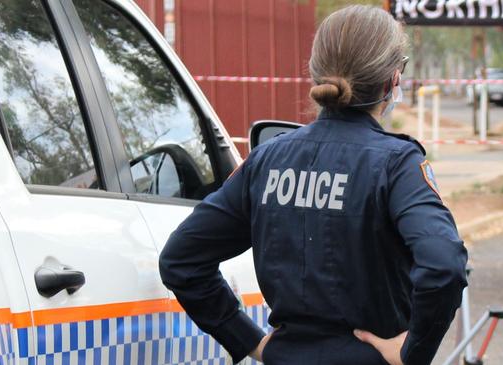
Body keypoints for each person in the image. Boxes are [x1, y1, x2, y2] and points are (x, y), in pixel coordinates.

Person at [159, 5, 467, 365]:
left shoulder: (266, 160)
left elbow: (181, 259)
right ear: (392, 80)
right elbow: (443, 265)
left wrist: (249, 340)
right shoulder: (397, 164)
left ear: (316, 73)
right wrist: (413, 350)